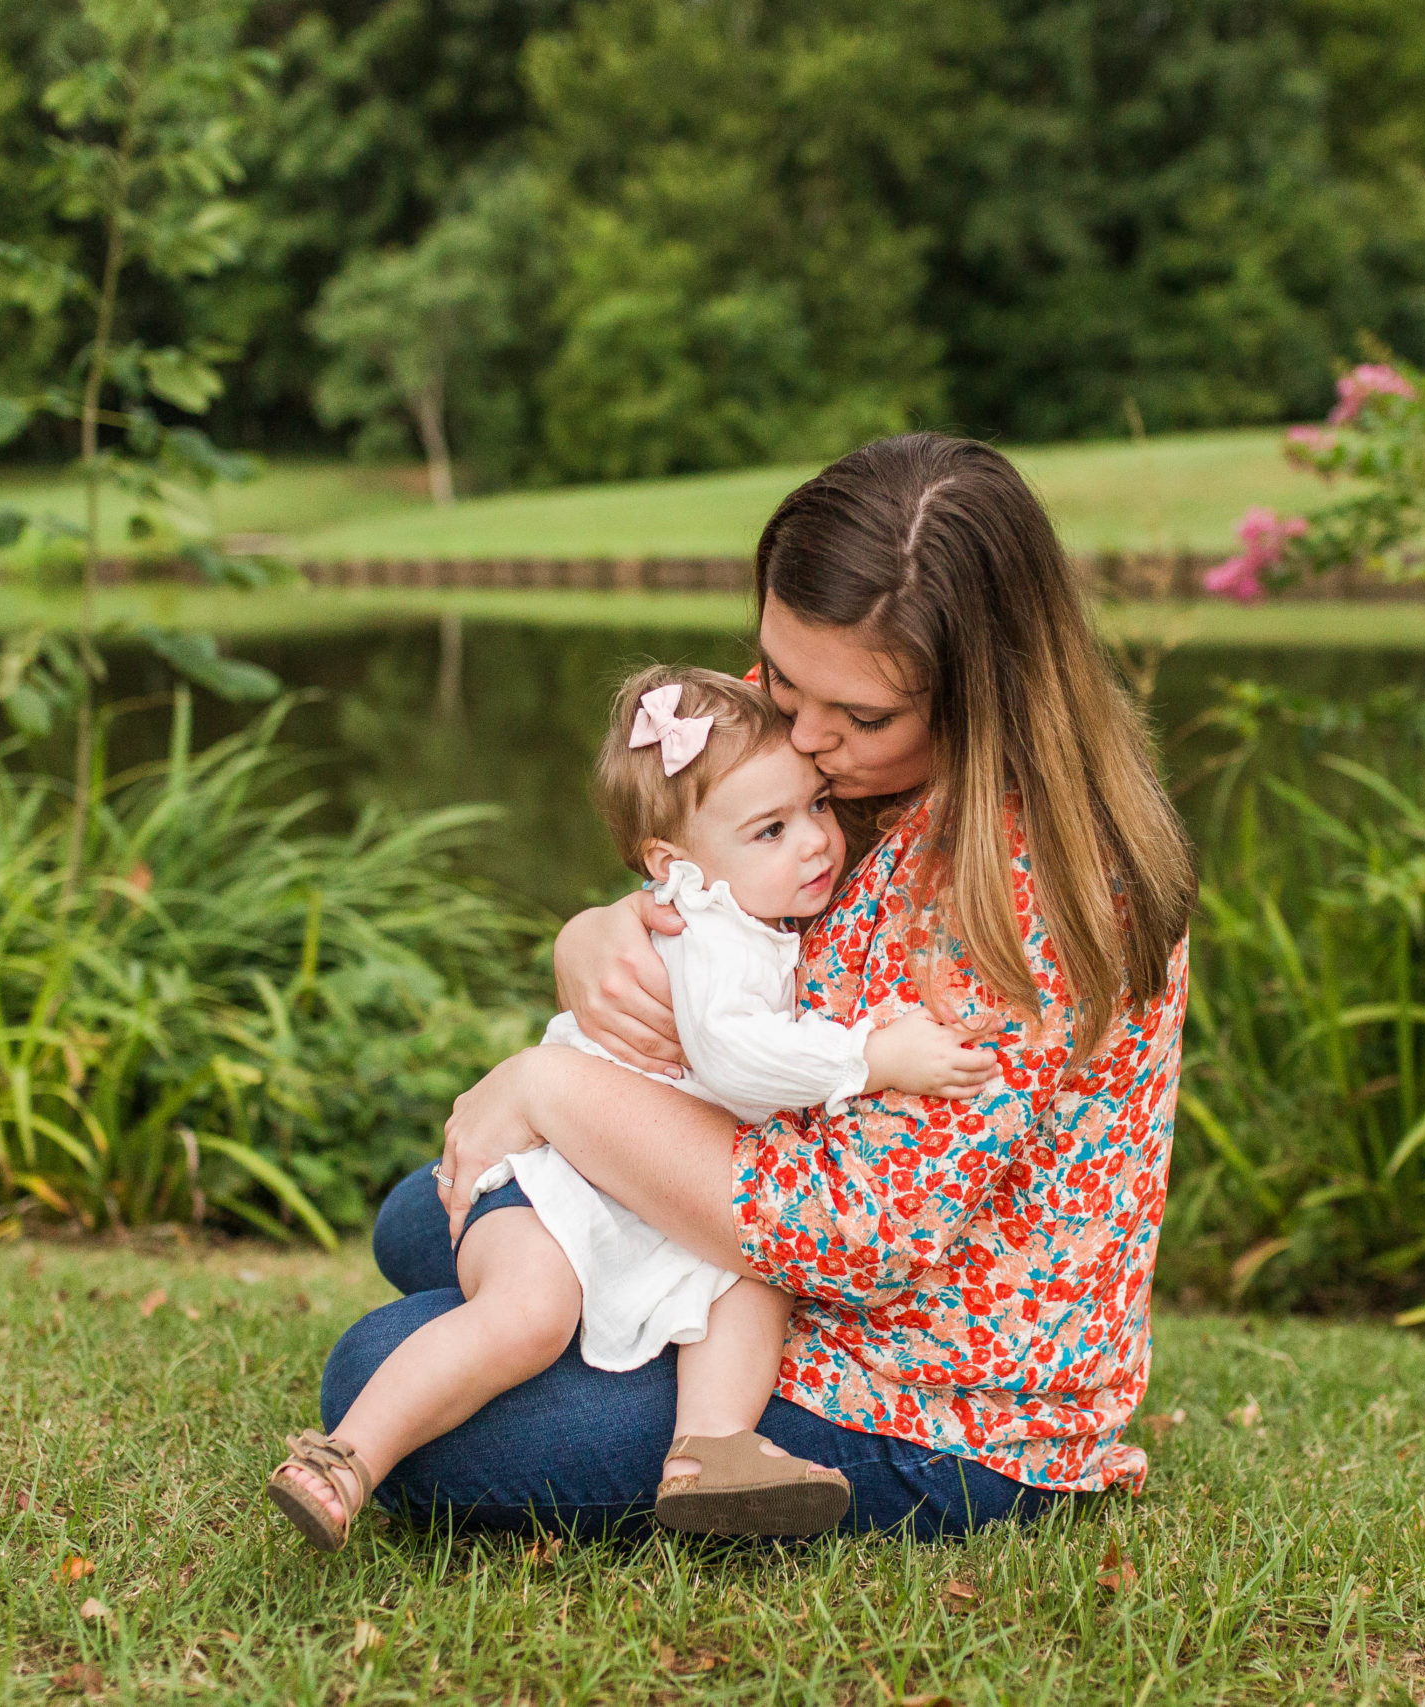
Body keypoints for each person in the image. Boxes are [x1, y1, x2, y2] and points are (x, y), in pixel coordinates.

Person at [304, 431, 1196, 1539]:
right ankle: (562, 1324)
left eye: (861, 718)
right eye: (781, 675)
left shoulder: (1021, 890)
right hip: (781, 1250)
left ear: (987, 695)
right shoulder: (857, 766)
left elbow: (855, 1237)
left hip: (919, 1390)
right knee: (423, 1212)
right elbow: (708, 880)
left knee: (379, 1366)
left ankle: (687, 1421)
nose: (807, 740)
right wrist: (600, 929)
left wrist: (549, 1086)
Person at [265, 665, 999, 1549]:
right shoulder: (717, 931)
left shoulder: (749, 895)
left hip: (654, 1184)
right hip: (570, 1172)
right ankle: (348, 1458)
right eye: (773, 828)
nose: (815, 842)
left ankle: (711, 1451)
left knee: (750, 1283)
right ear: (677, 867)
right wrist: (870, 1056)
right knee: (526, 1312)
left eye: (816, 808)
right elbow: (735, 1057)